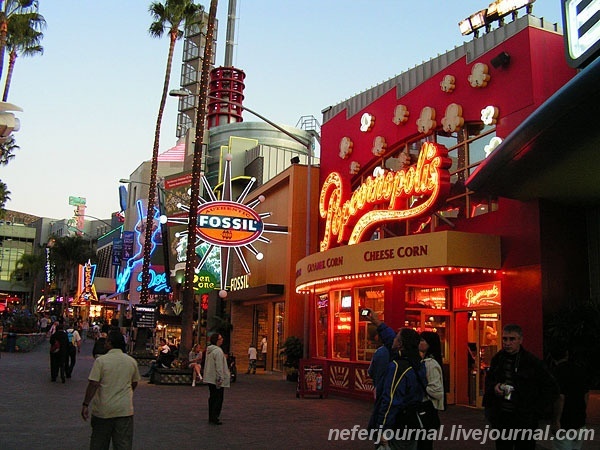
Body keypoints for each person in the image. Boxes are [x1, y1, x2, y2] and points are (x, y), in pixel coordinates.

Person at [483, 324, 559, 450]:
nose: (507, 343)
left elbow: (551, 388)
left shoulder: (531, 362)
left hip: (524, 420)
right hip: (502, 418)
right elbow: (489, 382)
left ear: (520, 340)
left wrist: (536, 411)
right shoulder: (498, 359)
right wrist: (495, 387)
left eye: (512, 339)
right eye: (505, 339)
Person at [81, 330, 141, 450]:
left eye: (107, 340)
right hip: (124, 410)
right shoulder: (131, 361)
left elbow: (93, 384)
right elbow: (134, 382)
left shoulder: (101, 361)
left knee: (99, 443)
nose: (104, 343)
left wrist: (86, 404)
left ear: (110, 343)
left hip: (104, 410)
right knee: (123, 444)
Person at [376, 328, 426, 450]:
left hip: (398, 424)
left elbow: (391, 400)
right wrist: (379, 324)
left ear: (400, 344)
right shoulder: (418, 364)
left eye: (396, 337)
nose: (393, 339)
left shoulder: (397, 366)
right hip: (413, 420)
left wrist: (383, 427)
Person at [550, 345, 589, 450]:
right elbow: (586, 394)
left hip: (564, 422)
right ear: (567, 354)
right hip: (579, 420)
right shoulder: (579, 370)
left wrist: (556, 420)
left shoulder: (555, 373)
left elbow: (560, 398)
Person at [366, 311, 396, 431]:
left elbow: (371, 371)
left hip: (383, 389)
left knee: (382, 411)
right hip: (391, 393)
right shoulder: (413, 362)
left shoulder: (380, 352)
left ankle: (380, 431)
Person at [418, 331, 445, 450]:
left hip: (428, 409)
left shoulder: (431, 364)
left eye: (423, 340)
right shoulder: (424, 361)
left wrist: (421, 386)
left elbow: (437, 391)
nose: (420, 342)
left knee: (425, 443)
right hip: (425, 408)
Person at [204, 333, 230, 425]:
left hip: (210, 378)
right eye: (220, 338)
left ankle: (211, 416)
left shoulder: (209, 350)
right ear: (217, 340)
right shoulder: (218, 351)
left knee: (212, 397)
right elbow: (219, 366)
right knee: (218, 398)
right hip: (216, 379)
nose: (222, 339)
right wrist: (220, 378)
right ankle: (215, 416)